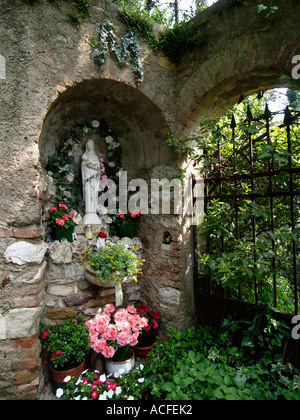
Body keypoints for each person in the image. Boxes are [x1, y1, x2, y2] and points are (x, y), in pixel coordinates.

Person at [81, 139, 101, 224]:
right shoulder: (85, 155)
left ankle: (93, 212)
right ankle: (88, 212)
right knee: (88, 195)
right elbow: (83, 166)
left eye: (91, 145)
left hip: (94, 179)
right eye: (88, 145)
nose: (90, 147)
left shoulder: (95, 156)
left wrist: (95, 168)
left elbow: (98, 167)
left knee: (94, 196)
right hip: (88, 180)